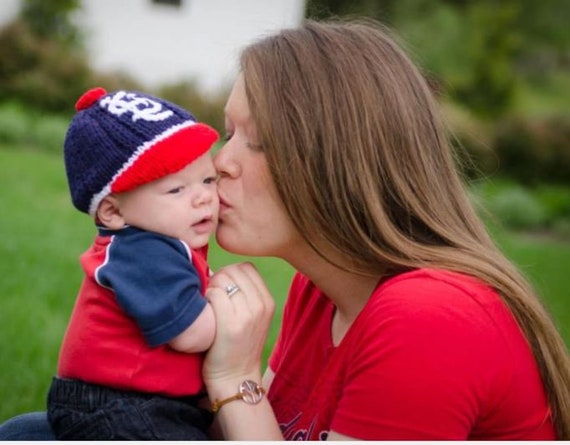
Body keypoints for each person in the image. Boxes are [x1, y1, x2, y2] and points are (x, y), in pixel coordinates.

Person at [1, 18, 570, 441]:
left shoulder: (431, 319)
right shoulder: (320, 288)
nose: (220, 164)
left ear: (338, 163)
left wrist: (233, 376)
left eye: (259, 141)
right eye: (228, 132)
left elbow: (244, 409)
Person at [47, 87, 219, 440]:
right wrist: (229, 308)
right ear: (112, 211)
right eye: (177, 190)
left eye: (208, 179)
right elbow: (192, 334)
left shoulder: (160, 241)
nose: (204, 196)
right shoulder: (141, 253)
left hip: (139, 400)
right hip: (113, 404)